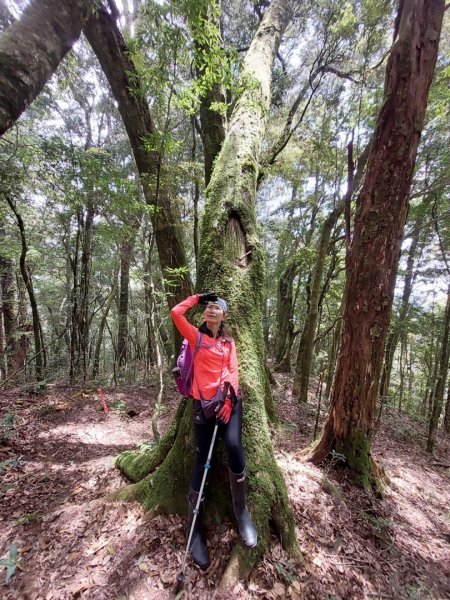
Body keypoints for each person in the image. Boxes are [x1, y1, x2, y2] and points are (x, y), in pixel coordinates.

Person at [171, 292, 257, 570]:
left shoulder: (228, 343)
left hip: (229, 403)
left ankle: (241, 512)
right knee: (200, 460)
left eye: (216, 308)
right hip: (203, 407)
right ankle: (194, 529)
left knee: (233, 445)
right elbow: (176, 313)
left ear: (224, 315)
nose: (211, 310)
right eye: (209, 307)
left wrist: (231, 400)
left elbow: (234, 371)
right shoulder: (196, 337)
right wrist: (197, 297)